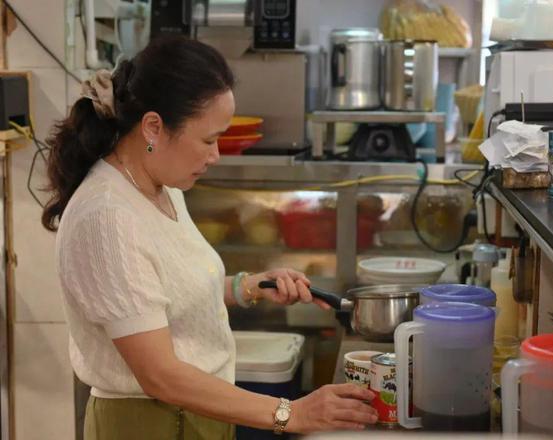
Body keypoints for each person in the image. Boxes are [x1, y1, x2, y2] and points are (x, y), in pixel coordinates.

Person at [42, 36, 377, 439]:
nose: (216, 155)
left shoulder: (162, 188)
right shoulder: (106, 220)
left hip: (198, 417)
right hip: (152, 426)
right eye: (207, 139)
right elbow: (160, 376)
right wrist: (291, 412)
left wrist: (248, 286)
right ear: (153, 127)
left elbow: (163, 294)